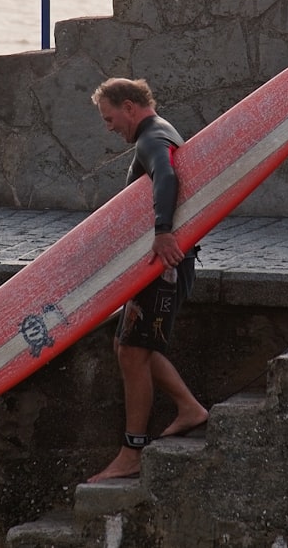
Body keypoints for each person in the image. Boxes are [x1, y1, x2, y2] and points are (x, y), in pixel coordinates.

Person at [87, 78, 208, 483]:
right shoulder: (160, 132)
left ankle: (131, 452)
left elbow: (167, 177)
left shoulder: (152, 138)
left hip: (165, 264)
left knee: (132, 352)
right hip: (160, 264)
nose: (109, 127)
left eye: (110, 118)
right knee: (126, 344)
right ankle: (189, 408)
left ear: (129, 107)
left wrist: (162, 231)